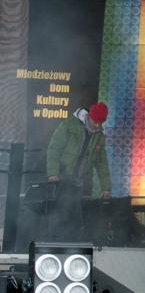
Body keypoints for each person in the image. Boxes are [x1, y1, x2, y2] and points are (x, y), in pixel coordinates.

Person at [46, 102, 112, 241]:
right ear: (89, 116)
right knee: (60, 214)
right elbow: (54, 148)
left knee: (73, 217)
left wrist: (105, 188)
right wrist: (53, 173)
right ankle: (54, 242)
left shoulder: (99, 136)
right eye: (95, 121)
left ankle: (70, 244)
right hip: (61, 177)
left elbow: (101, 163)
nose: (97, 125)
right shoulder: (70, 125)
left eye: (101, 122)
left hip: (77, 182)